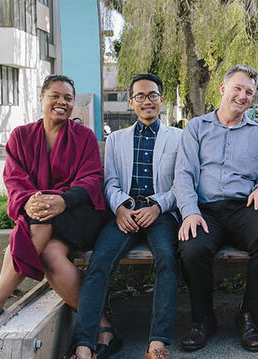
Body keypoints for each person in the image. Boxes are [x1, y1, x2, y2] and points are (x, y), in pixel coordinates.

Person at [0, 75, 107, 340]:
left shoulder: (84, 137)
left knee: (37, 226)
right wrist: (30, 201)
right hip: (38, 212)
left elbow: (90, 179)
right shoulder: (21, 136)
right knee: (50, 254)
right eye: (55, 95)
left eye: (68, 98)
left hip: (78, 215)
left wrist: (63, 200)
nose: (62, 102)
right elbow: (14, 179)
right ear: (41, 98)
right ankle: (102, 326)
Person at [173, 64, 258, 352]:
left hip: (243, 207)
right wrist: (190, 212)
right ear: (223, 89)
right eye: (238, 88)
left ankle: (249, 316)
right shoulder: (196, 127)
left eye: (249, 92)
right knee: (193, 247)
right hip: (205, 208)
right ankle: (203, 318)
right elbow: (183, 175)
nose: (243, 95)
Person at [71, 74, 181, 359]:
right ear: (131, 102)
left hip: (160, 212)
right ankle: (84, 345)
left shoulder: (178, 138)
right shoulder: (117, 139)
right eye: (141, 96)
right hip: (125, 213)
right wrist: (120, 208)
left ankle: (157, 343)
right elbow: (110, 182)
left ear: (161, 100)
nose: (148, 101)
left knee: (168, 259)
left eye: (153, 95)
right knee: (98, 263)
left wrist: (157, 206)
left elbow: (182, 184)